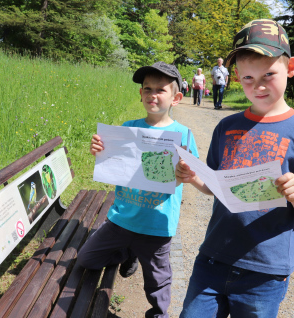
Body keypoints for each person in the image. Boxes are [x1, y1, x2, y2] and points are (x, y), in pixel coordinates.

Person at [176, 19, 294, 318]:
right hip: (213, 258)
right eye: (247, 78)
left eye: (269, 74)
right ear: (235, 77)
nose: (257, 86)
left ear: (291, 67)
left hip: (265, 270)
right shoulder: (227, 126)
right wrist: (194, 178)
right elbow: (217, 186)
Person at [78, 61, 199, 318]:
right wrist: (100, 150)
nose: (152, 95)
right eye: (147, 89)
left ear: (176, 98)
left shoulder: (184, 135)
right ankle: (127, 252)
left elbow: (197, 176)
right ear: (140, 94)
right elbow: (113, 163)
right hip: (121, 218)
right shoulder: (127, 128)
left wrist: (188, 174)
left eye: (160, 90)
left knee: (157, 280)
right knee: (86, 260)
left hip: (156, 224)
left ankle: (158, 313)